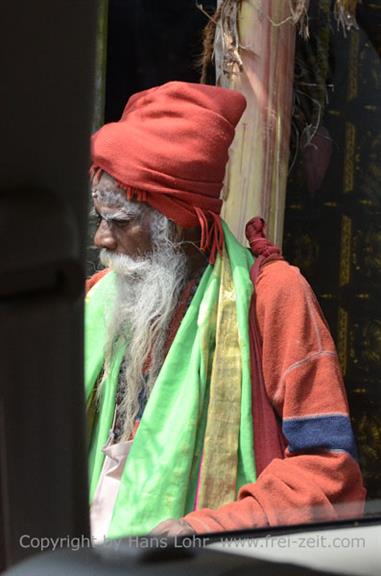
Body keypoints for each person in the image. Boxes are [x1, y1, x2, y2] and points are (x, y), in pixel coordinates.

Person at [86, 81, 365, 541]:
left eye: (120, 222)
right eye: (100, 219)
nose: (101, 239)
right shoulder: (99, 298)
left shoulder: (273, 297)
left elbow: (330, 473)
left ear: (182, 220)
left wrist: (210, 529)